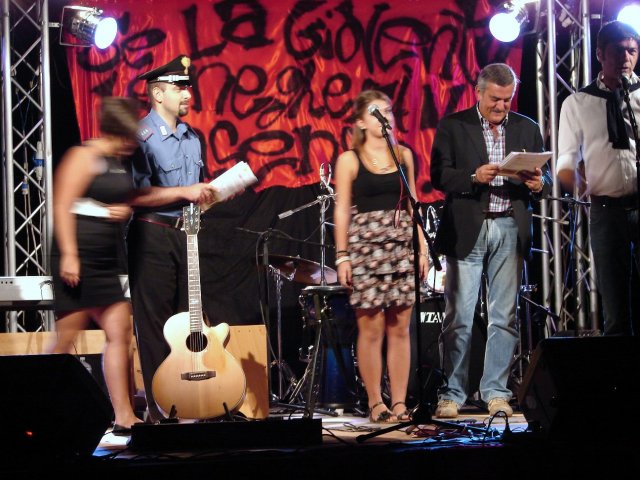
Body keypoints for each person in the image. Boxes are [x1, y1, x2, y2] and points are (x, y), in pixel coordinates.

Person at [430, 63, 551, 418]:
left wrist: (538, 184)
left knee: (504, 316)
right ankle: (452, 393)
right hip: (468, 226)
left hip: (510, 226)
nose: (501, 106)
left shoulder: (527, 127)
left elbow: (541, 180)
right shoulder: (454, 125)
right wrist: (473, 176)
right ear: (479, 92)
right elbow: (438, 175)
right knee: (459, 315)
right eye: (495, 99)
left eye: (507, 99)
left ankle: (496, 391)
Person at [127, 55, 220, 422]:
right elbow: (135, 195)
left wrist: (216, 193)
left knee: (189, 322)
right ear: (158, 93)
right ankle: (161, 410)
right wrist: (186, 192)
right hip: (153, 236)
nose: (187, 93)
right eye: (180, 87)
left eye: (188, 87)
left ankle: (192, 404)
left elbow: (196, 192)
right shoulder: (141, 138)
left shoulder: (193, 137)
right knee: (155, 327)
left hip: (189, 235)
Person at [50, 96, 144, 434]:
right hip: (80, 257)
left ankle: (124, 416)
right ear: (116, 131)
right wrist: (70, 255)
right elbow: (62, 205)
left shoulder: (117, 161)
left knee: (120, 333)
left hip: (107, 261)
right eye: (128, 135)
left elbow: (117, 201)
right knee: (64, 342)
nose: (132, 142)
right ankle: (36, 407)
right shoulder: (83, 156)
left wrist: (123, 210)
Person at [334, 89, 428, 423]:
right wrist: (342, 256)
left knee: (400, 328)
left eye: (387, 111)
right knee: (371, 329)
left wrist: (421, 248)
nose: (384, 117)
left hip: (400, 247)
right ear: (361, 122)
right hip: (366, 250)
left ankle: (399, 402)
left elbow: (413, 203)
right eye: (376, 112)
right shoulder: (349, 159)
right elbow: (342, 210)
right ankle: (376, 402)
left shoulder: (403, 155)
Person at [557, 20, 639, 337]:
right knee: (616, 308)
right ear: (600, 54)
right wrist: (575, 181)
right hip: (607, 211)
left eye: (632, 51)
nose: (626, 59)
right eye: (618, 51)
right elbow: (566, 160)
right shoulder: (577, 103)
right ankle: (620, 367)